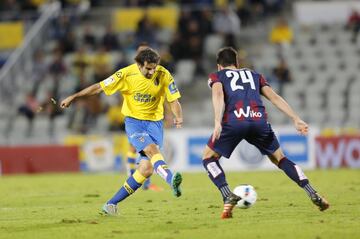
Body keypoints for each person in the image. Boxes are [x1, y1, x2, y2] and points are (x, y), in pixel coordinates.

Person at [202, 47, 329, 219]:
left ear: (219, 66)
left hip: (234, 121)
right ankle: (312, 192)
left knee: (208, 157)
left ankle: (226, 194)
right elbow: (274, 97)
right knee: (280, 158)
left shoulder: (217, 76)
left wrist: (217, 122)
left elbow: (218, 95)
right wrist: (295, 118)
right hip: (258, 120)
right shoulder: (254, 75)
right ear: (237, 63)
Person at [60, 47, 183, 215]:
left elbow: (174, 99)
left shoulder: (163, 74)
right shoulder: (125, 75)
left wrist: (178, 116)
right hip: (135, 123)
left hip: (155, 124)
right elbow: (98, 87)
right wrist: (74, 97)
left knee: (146, 169)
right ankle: (170, 179)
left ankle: (110, 205)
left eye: (154, 68)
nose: (152, 72)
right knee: (151, 150)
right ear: (138, 65)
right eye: (148, 68)